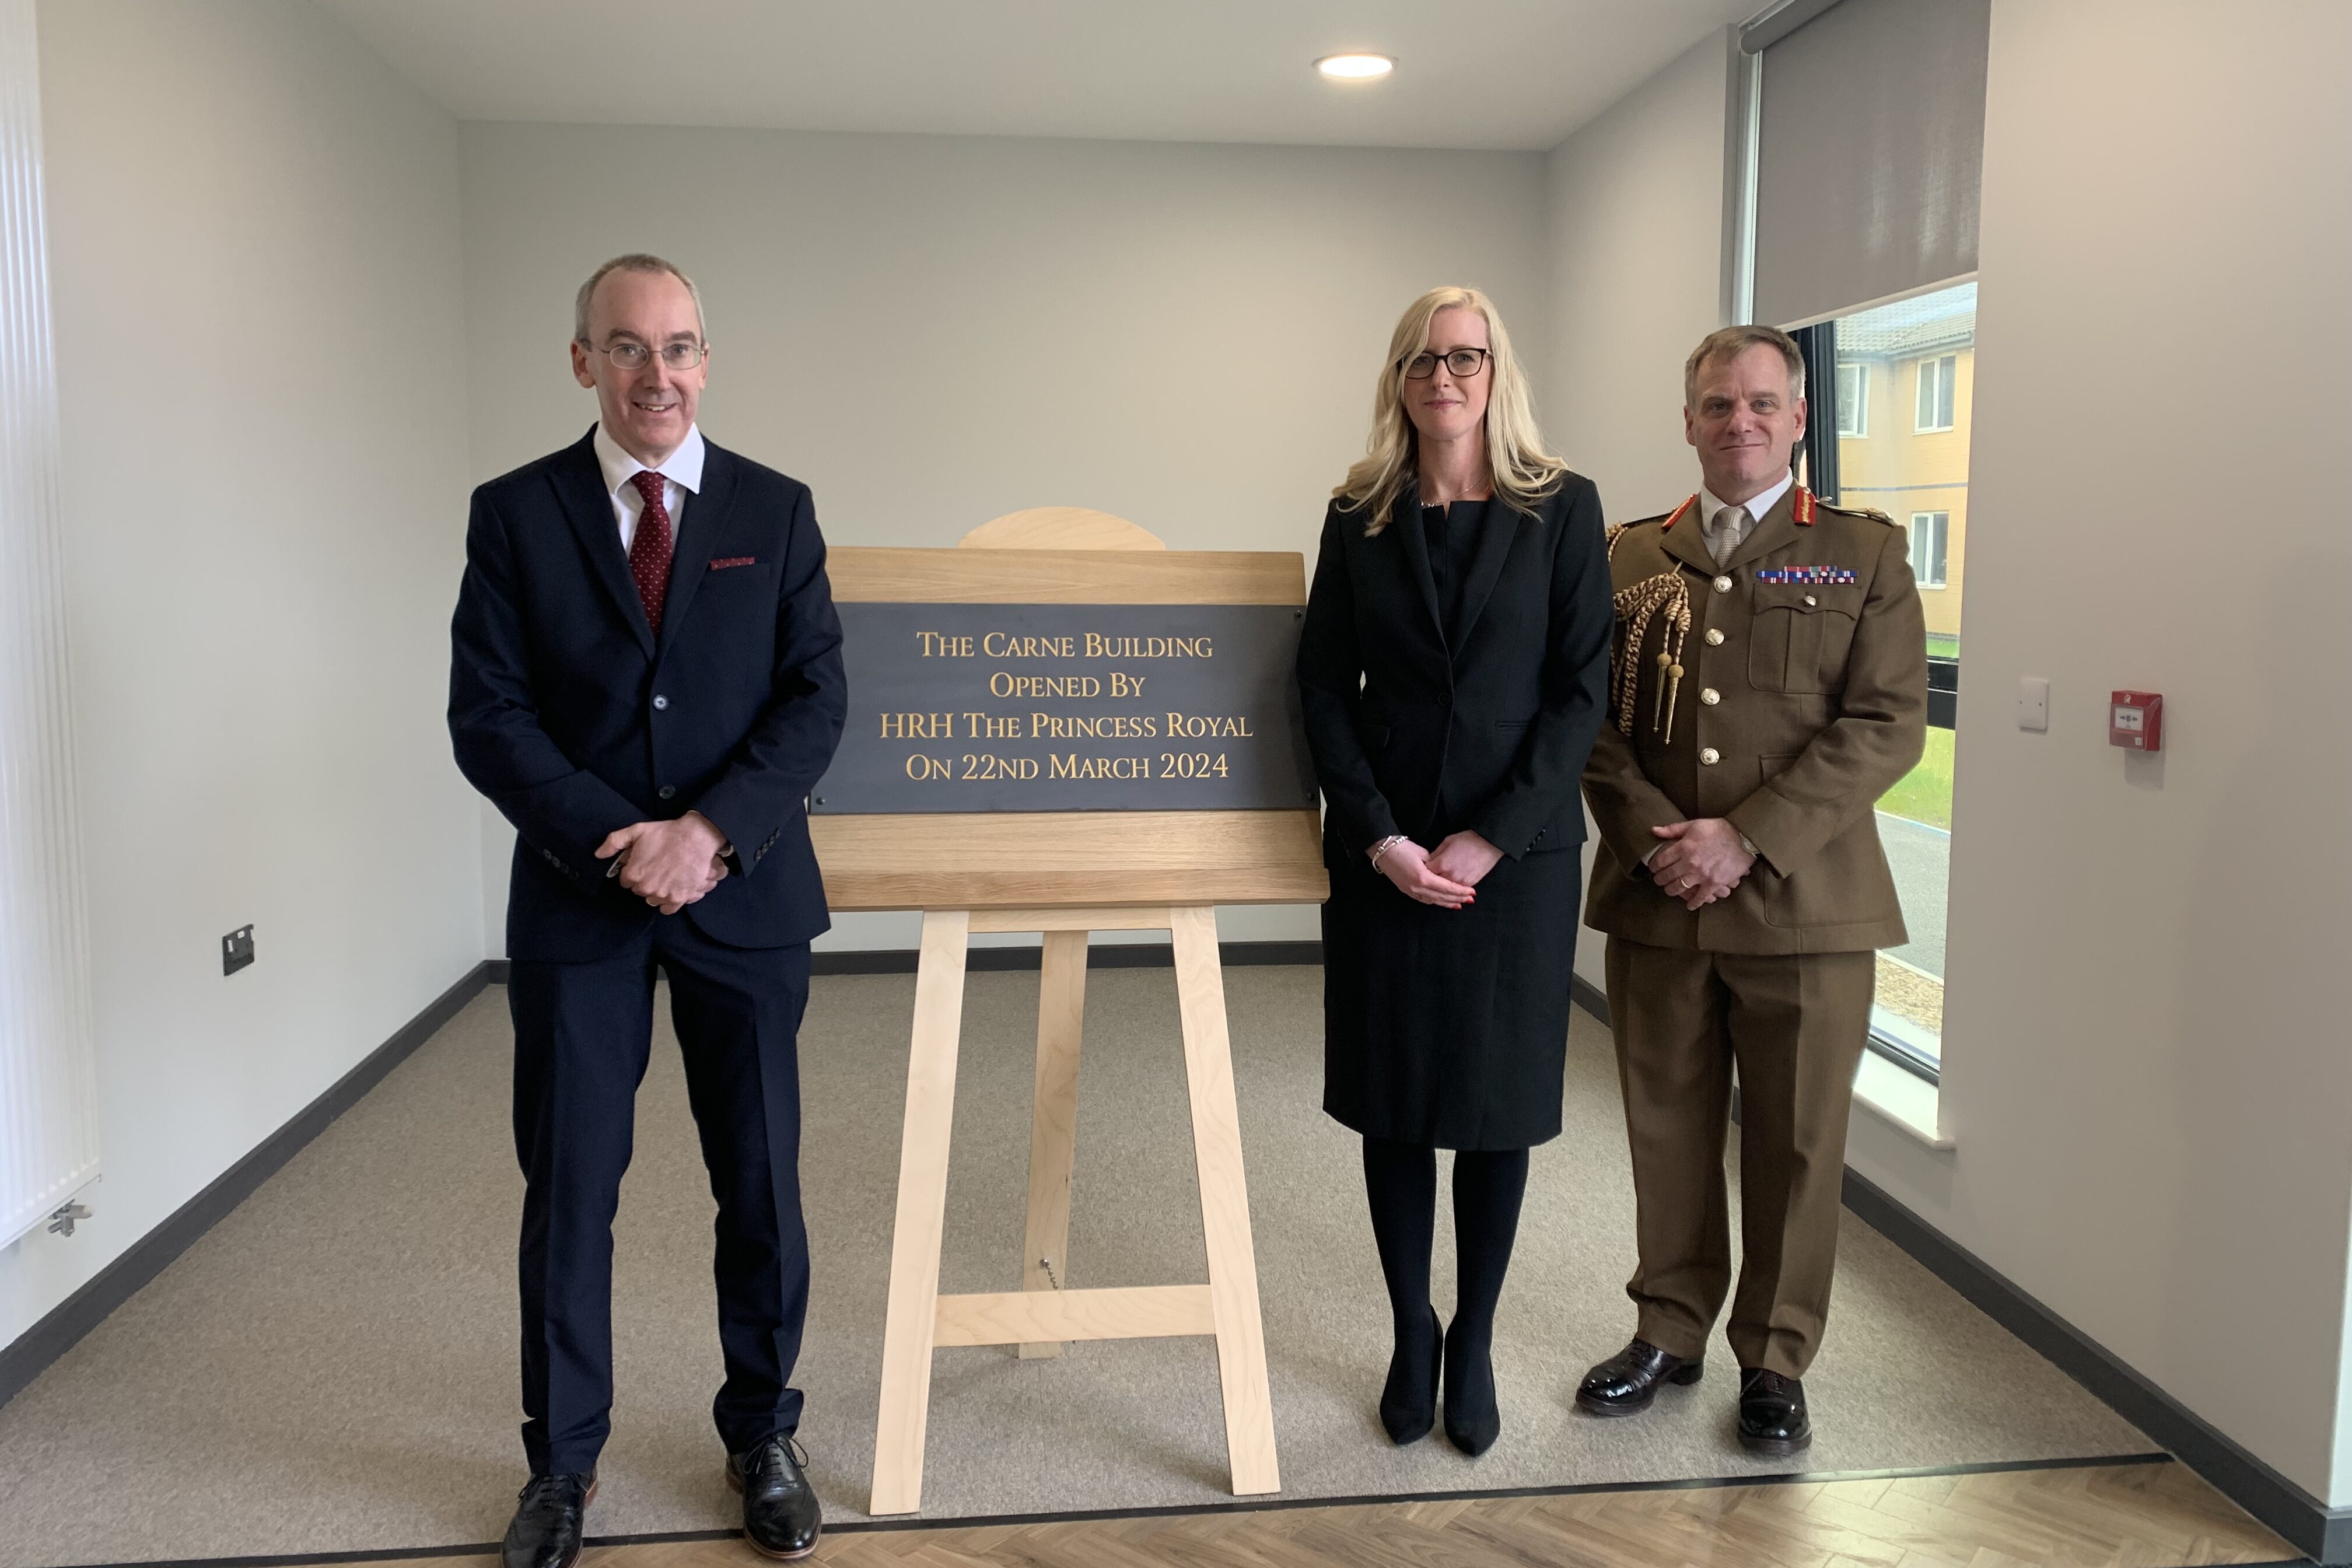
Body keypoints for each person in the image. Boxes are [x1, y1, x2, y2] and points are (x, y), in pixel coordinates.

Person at [449, 254, 846, 1566]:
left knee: (761, 1185)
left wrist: (710, 835)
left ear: (707, 361)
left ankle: (763, 1434)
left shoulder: (776, 512)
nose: (656, 373)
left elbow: (814, 702)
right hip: (584, 903)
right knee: (569, 1189)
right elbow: (488, 716)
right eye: (626, 348)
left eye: (678, 346)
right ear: (583, 364)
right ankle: (561, 1469)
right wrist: (620, 846)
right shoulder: (514, 514)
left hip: (745, 897)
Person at [1575, 324, 1926, 1454]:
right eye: (1719, 404)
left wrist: (1748, 838)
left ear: (1797, 420)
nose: (1741, 422)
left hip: (1809, 907)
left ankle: (1775, 1357)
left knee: (1797, 1142)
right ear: (1689, 420)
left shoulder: (1864, 554)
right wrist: (1656, 839)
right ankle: (1670, 1330)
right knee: (1666, 1129)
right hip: (1660, 897)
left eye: (1764, 404)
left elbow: (1887, 724)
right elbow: (1582, 718)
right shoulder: (1625, 555)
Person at [1296, 285, 1612, 1456]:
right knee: (1395, 1107)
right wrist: (1378, 833)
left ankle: (1474, 1335)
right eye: (1425, 358)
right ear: (1400, 377)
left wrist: (1494, 832)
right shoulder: (1359, 514)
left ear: (1496, 372)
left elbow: (1582, 689)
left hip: (1513, 865)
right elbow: (1324, 684)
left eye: (1466, 356)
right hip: (1387, 859)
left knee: (1492, 1114)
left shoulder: (1562, 509)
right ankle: (1410, 1328)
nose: (1446, 375)